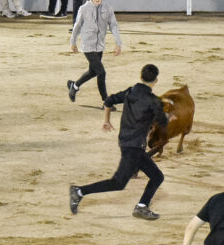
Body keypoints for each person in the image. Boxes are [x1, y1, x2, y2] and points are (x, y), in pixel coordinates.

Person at [70, 64, 170, 221]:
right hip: (134, 147)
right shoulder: (153, 100)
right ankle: (79, 192)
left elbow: (108, 101)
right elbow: (162, 122)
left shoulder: (131, 91)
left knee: (157, 176)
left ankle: (142, 207)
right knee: (118, 182)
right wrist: (169, 116)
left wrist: (106, 121)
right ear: (155, 80)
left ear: (141, 77)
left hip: (126, 141)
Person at [68, 0, 122, 104]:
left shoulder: (108, 8)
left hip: (100, 46)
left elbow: (113, 26)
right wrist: (73, 42)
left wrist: (118, 43)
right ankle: (106, 100)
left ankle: (74, 86)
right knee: (101, 72)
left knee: (93, 71)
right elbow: (76, 26)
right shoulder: (84, 8)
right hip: (87, 46)